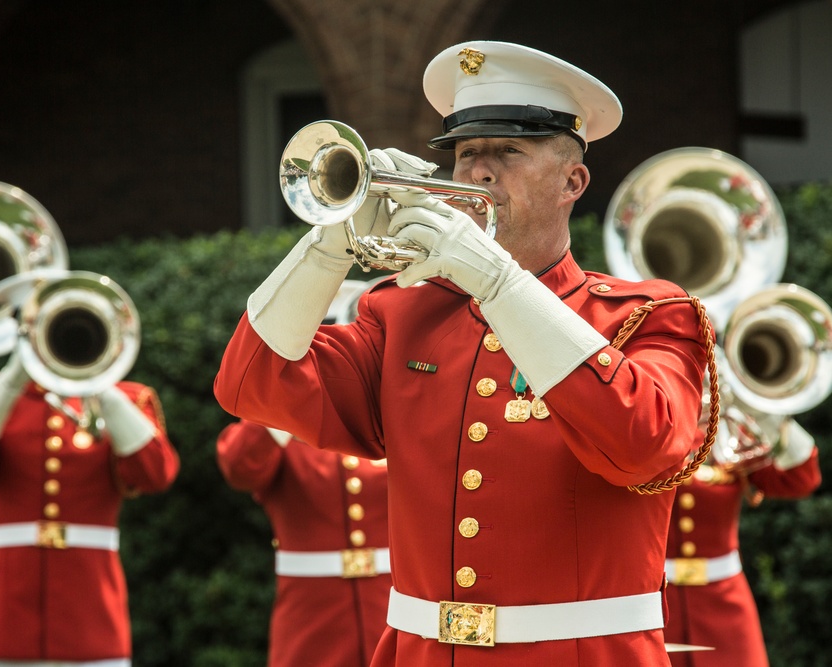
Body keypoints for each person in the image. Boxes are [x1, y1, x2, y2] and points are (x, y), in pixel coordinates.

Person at [215, 40, 710, 665]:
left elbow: (643, 448)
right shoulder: (403, 312)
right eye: (466, 154)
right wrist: (330, 243)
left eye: (508, 152)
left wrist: (500, 282)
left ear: (572, 180)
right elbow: (250, 383)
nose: (478, 172)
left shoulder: (648, 316)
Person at [0, 271, 181, 667]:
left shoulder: (125, 399)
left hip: (92, 622)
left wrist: (97, 379)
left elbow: (155, 474)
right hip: (11, 622)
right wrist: (15, 374)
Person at [215, 280, 390, 667]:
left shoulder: (388, 420)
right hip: (313, 620)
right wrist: (288, 398)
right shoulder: (279, 431)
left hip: (390, 608)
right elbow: (241, 468)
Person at [664, 404, 822, 666]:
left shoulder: (731, 432)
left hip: (725, 606)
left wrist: (766, 414)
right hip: (657, 607)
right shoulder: (647, 431)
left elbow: (802, 478)